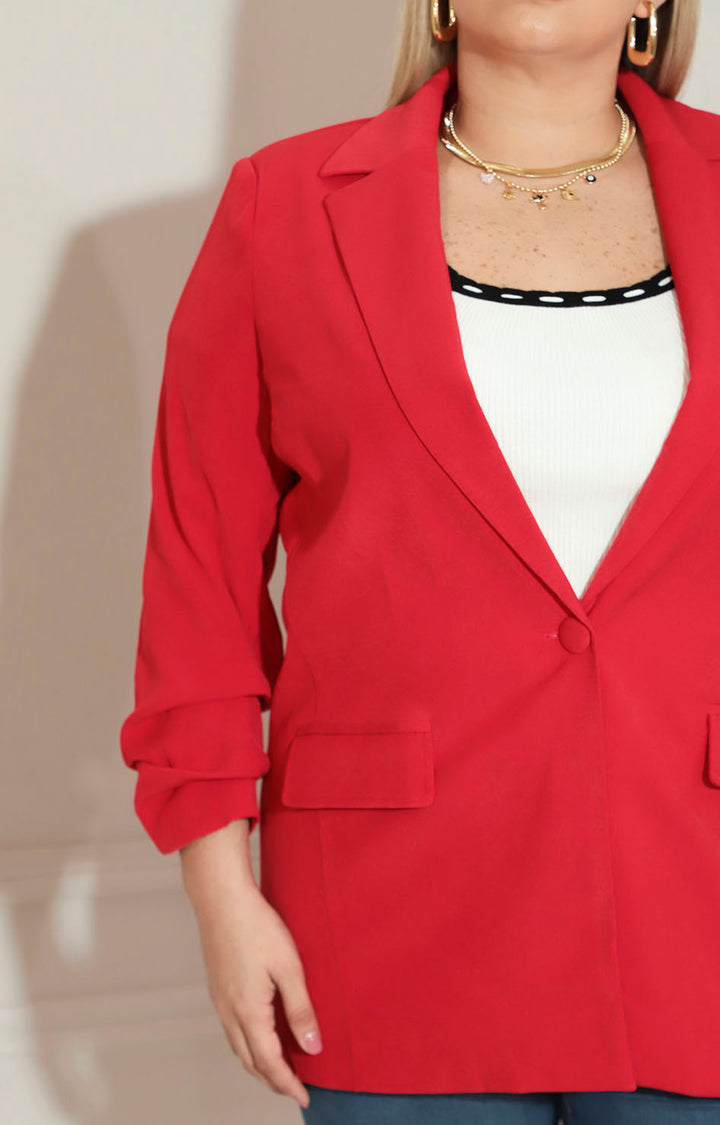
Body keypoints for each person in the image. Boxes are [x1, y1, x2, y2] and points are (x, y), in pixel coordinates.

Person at [119, 0, 720, 1121]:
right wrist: (220, 895)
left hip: (697, 905)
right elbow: (197, 578)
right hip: (393, 921)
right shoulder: (285, 206)